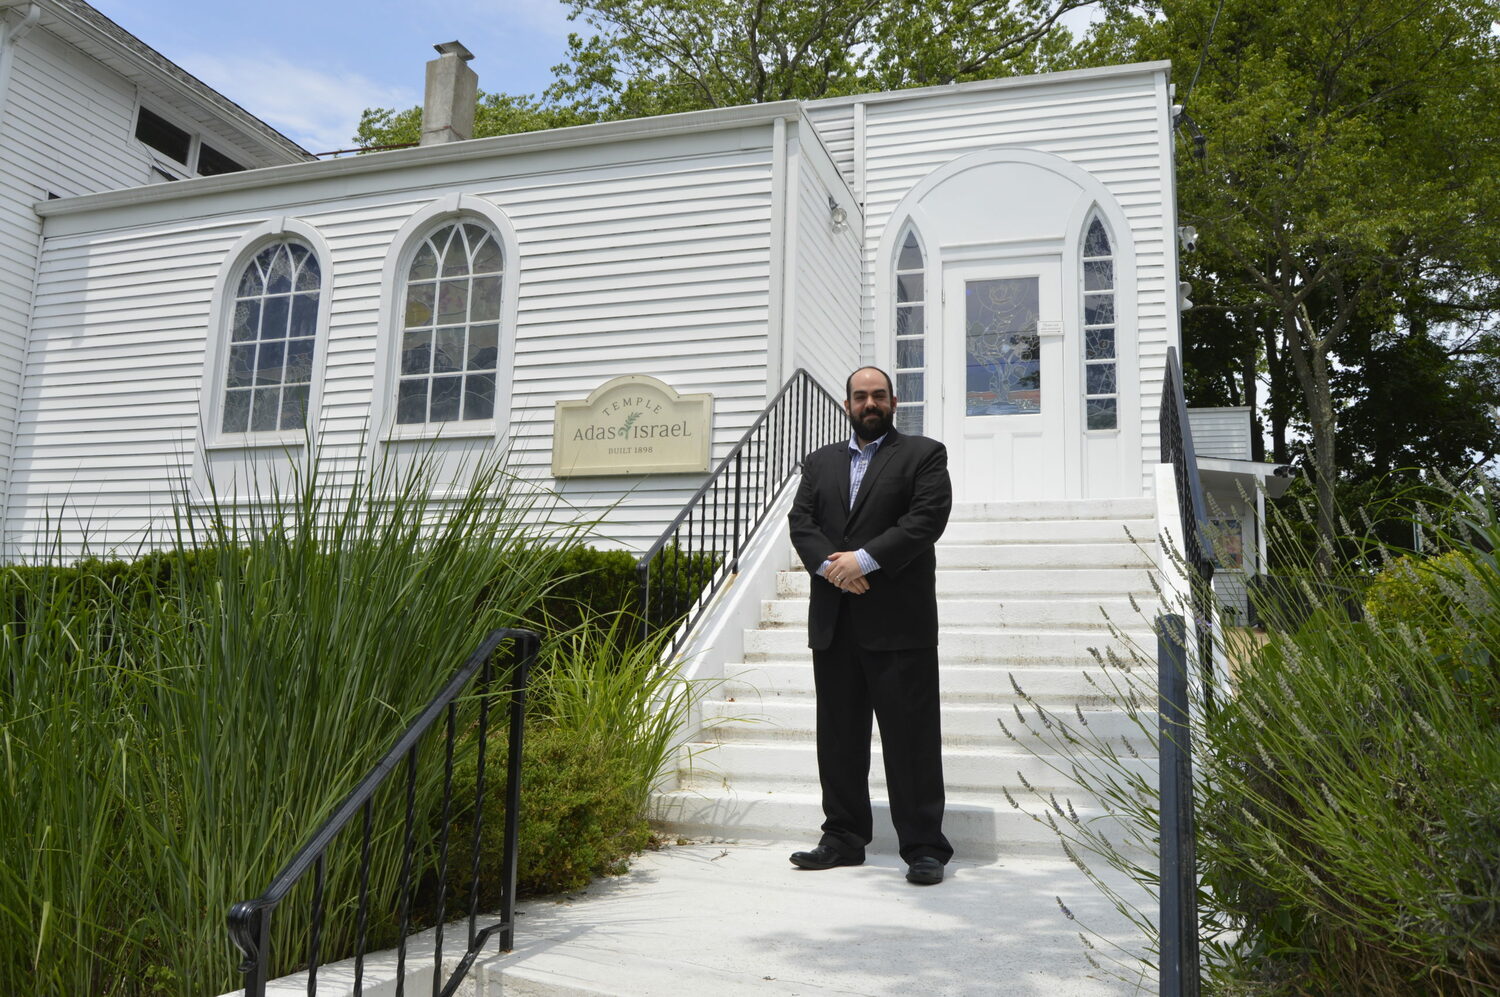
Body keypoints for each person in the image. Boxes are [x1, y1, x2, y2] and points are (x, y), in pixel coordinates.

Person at [786, 365, 953, 885]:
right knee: (838, 738)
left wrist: (863, 560)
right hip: (835, 622)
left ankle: (924, 846)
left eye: (879, 395)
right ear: (847, 405)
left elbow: (925, 521)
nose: (870, 403)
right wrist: (834, 570)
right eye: (861, 396)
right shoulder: (819, 463)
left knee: (911, 739)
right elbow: (802, 523)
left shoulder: (924, 455)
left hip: (899, 625)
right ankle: (842, 837)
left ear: (894, 401)